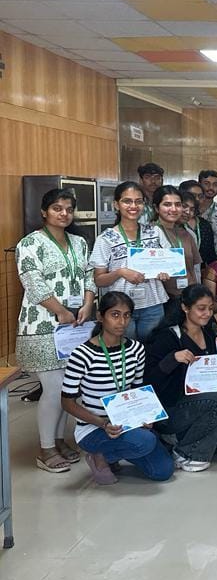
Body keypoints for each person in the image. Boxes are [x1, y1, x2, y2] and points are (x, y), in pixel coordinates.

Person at [16, 188, 96, 472]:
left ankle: (59, 440)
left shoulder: (79, 242)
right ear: (44, 211)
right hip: (42, 325)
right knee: (53, 388)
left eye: (68, 209)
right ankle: (46, 448)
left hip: (75, 325)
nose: (64, 214)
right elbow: (33, 282)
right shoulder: (30, 243)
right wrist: (60, 310)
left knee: (68, 387)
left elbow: (89, 275)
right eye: (57, 208)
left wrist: (88, 304)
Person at [61, 292, 174, 484]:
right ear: (100, 316)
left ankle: (111, 455)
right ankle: (98, 454)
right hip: (94, 428)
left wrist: (143, 417)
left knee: (163, 471)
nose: (122, 322)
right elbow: (67, 403)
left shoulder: (136, 349)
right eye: (115, 315)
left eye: (127, 315)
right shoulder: (82, 354)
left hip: (126, 423)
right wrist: (103, 424)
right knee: (145, 441)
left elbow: (137, 389)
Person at [144, 284, 217, 472]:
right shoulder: (168, 337)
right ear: (185, 308)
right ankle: (188, 452)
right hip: (173, 406)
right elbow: (149, 381)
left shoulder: (208, 333)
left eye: (210, 308)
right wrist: (172, 359)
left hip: (202, 403)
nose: (207, 314)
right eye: (201, 308)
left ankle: (180, 439)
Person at [90, 181, 169, 342]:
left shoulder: (154, 232)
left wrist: (165, 272)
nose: (133, 206)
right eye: (127, 201)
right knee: (125, 350)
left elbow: (170, 263)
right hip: (120, 309)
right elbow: (99, 280)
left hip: (153, 305)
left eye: (138, 201)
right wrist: (120, 272)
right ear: (116, 205)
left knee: (153, 349)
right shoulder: (105, 238)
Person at [153, 185, 201, 314]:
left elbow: (194, 269)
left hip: (188, 296)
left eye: (178, 205)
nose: (174, 209)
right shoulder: (149, 234)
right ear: (156, 208)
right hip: (164, 299)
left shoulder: (186, 234)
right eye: (167, 204)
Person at [179, 185, 217, 266]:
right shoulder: (172, 227)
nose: (196, 199)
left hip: (198, 270)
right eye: (193, 195)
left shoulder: (204, 225)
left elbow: (211, 256)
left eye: (200, 196)